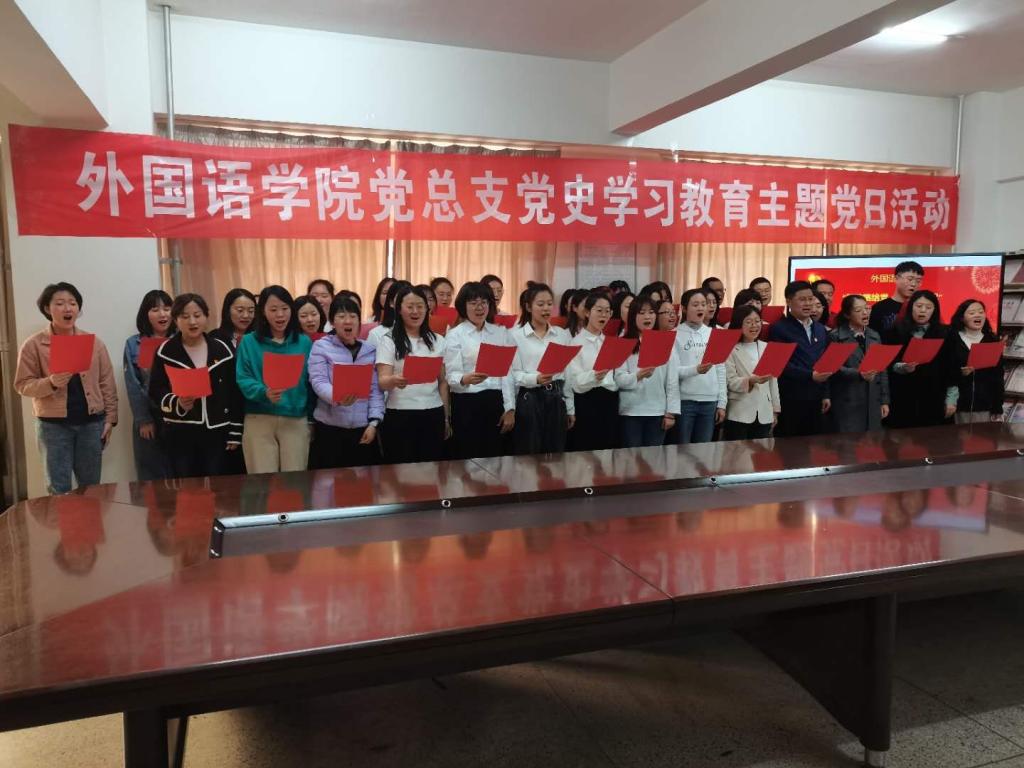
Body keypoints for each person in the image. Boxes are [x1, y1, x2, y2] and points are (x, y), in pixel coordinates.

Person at [14, 282, 118, 494]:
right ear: (47, 308)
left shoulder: (94, 343)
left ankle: (89, 518)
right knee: (58, 488)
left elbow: (107, 382)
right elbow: (22, 385)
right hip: (53, 426)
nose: (67, 308)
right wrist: (51, 382)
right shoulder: (33, 345)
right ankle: (62, 518)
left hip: (91, 423)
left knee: (91, 487)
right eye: (60, 303)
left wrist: (110, 419)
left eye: (73, 303)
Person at [148, 293, 243, 478]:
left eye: (197, 315)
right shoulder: (166, 351)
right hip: (181, 432)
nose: (192, 321)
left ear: (206, 317)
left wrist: (235, 431)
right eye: (185, 316)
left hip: (218, 430)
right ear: (176, 320)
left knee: (219, 485)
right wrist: (177, 403)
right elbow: (156, 390)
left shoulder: (222, 350)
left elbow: (234, 393)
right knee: (186, 488)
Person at [235, 285, 314, 473]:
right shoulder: (249, 341)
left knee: (295, 480)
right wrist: (264, 392)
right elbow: (243, 377)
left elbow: (311, 380)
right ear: (263, 311)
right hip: (259, 417)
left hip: (295, 417)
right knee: (261, 480)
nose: (280, 315)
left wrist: (311, 419)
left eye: (285, 309)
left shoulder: (304, 342)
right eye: (273, 309)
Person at [307, 295, 384, 469]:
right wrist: (337, 396)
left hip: (363, 428)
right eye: (341, 316)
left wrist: (374, 423)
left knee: (363, 482)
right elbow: (318, 381)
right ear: (332, 322)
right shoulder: (321, 346)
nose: (347, 321)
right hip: (330, 428)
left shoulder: (370, 350)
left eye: (353, 316)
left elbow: (375, 390)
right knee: (329, 481)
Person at [376, 285, 450, 463]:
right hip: (400, 414)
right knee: (400, 471)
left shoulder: (438, 341)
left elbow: (442, 382)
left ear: (427, 309)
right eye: (410, 307)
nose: (415, 311)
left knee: (430, 470)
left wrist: (446, 417)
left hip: (433, 412)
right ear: (399, 309)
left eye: (420, 306)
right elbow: (382, 381)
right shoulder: (389, 340)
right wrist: (394, 380)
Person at [444, 282, 517, 459]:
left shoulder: (501, 333)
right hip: (467, 402)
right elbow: (451, 375)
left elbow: (507, 373)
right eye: (473, 303)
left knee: (495, 457)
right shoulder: (455, 334)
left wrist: (510, 408)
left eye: (484, 302)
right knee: (468, 458)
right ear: (463, 306)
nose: (479, 307)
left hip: (495, 400)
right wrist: (465, 379)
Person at [511, 282, 575, 455]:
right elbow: (513, 374)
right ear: (528, 307)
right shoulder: (515, 335)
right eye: (540, 304)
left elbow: (567, 374)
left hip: (556, 397)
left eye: (549, 304)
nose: (546, 308)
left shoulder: (561, 334)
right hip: (529, 398)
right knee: (529, 452)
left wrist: (570, 408)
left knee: (555, 452)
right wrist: (535, 379)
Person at [769, 280, 832, 436]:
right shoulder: (779, 328)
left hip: (817, 397)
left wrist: (826, 394)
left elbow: (825, 362)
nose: (808, 304)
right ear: (789, 301)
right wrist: (810, 375)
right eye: (802, 299)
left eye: (810, 299)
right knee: (790, 445)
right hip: (790, 397)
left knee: (814, 443)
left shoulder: (820, 329)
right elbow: (780, 364)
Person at [615, 295, 679, 447]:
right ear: (633, 316)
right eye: (642, 312)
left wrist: (671, 413)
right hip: (631, 412)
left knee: (654, 458)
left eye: (651, 312)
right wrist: (638, 376)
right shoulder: (623, 343)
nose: (647, 317)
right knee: (631, 457)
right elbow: (618, 379)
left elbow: (672, 381)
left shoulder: (665, 341)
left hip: (657, 411)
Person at [123, 289, 173, 481]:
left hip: (179, 414)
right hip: (150, 415)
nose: (162, 314)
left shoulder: (182, 340)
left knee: (180, 473)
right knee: (150, 476)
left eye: (167, 308)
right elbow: (133, 384)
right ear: (146, 314)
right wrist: (143, 419)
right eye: (155, 309)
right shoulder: (134, 344)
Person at [885, 289, 949, 428]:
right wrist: (902, 367)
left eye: (928, 307)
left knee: (931, 437)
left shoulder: (945, 332)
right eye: (919, 306)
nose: (923, 310)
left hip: (934, 396)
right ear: (910, 307)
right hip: (902, 396)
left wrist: (951, 399)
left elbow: (950, 367)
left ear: (935, 310)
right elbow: (888, 364)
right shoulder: (896, 331)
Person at [827, 294, 890, 433]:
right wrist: (859, 374)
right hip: (848, 400)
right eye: (858, 310)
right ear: (847, 314)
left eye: (867, 308)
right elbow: (832, 368)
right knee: (849, 443)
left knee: (872, 442)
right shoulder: (836, 336)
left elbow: (882, 370)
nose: (865, 313)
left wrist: (884, 401)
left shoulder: (874, 335)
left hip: (873, 401)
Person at [566, 291, 620, 450]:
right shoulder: (575, 343)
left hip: (609, 401)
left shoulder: (610, 343)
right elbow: (574, 382)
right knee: (587, 452)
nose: (604, 315)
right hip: (587, 402)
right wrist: (594, 376)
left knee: (608, 451)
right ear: (587, 312)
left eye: (607, 311)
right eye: (599, 310)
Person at [673, 288, 727, 443]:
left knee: (703, 451)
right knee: (682, 449)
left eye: (703, 304)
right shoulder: (674, 334)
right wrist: (695, 370)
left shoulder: (714, 334)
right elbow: (672, 371)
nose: (701, 308)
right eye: (695, 304)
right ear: (684, 308)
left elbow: (720, 369)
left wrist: (722, 403)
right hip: (685, 401)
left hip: (710, 401)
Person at [942, 298, 1004, 424]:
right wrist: (960, 373)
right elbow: (944, 370)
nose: (977, 315)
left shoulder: (992, 340)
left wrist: (998, 407)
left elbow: (998, 376)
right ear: (961, 318)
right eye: (972, 313)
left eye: (981, 312)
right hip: (958, 405)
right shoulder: (952, 339)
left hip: (985, 406)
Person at [723, 306, 781, 440]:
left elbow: (773, 382)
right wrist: (750, 381)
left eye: (757, 321)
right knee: (737, 452)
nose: (754, 325)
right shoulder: (730, 348)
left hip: (764, 412)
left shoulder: (767, 347)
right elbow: (730, 381)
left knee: (761, 451)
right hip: (739, 412)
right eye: (748, 322)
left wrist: (775, 410)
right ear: (739, 324)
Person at [869, 260, 924, 335]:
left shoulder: (923, 309)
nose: (914, 284)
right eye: (910, 279)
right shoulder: (879, 308)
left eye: (918, 281)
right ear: (896, 278)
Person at [367, 280, 412, 348]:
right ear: (391, 302)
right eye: (401, 299)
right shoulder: (377, 334)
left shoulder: (426, 335)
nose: (407, 304)